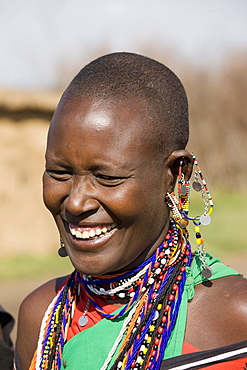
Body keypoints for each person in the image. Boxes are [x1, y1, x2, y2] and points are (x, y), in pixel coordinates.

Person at [15, 52, 247, 370]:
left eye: (108, 178)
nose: (76, 202)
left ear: (176, 174)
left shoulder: (234, 316)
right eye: (60, 172)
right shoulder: (41, 317)